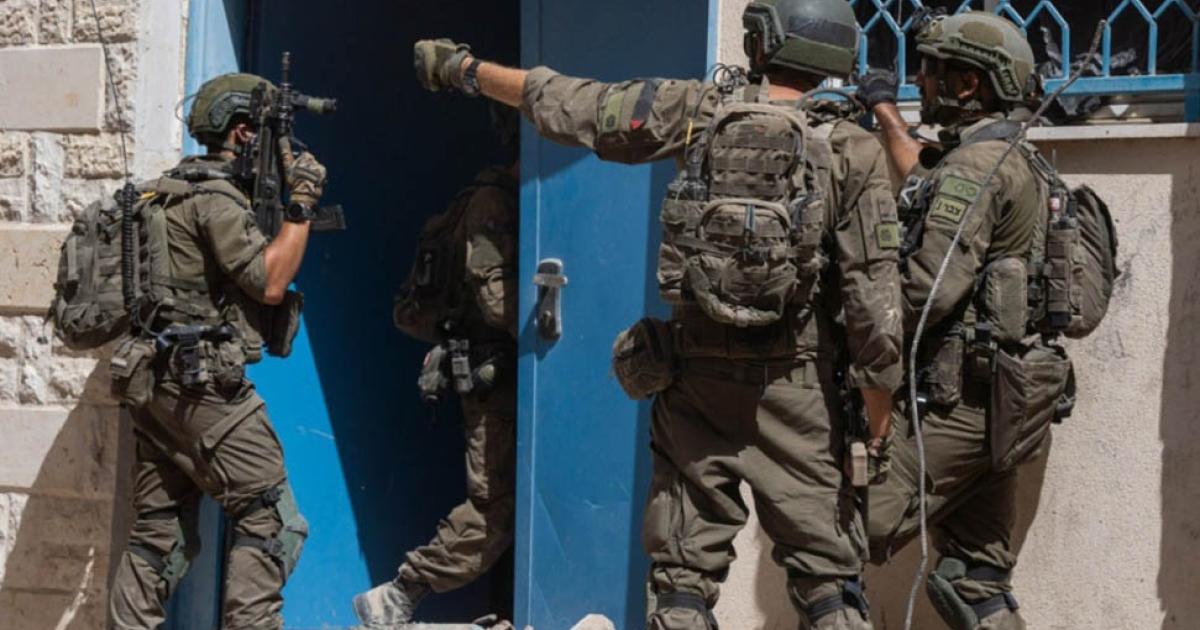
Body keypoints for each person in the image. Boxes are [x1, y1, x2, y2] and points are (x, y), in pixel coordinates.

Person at [363, 1, 906, 628]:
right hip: (800, 396)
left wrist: (466, 70)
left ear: (761, 44)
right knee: (828, 584)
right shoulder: (854, 150)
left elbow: (574, 104)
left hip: (694, 388)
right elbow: (874, 310)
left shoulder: (695, 111)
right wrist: (876, 426)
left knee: (682, 583)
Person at [855, 11, 1075, 630]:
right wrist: (883, 111)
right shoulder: (1014, 158)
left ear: (969, 84)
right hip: (1004, 409)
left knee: (833, 538)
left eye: (930, 70)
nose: (920, 81)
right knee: (976, 581)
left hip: (953, 411)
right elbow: (922, 174)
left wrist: (854, 333)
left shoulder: (974, 169)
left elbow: (927, 290)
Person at [106, 73, 326, 629]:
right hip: (204, 389)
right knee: (273, 519)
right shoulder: (216, 200)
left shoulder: (165, 192)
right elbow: (269, 282)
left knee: (158, 533)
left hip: (154, 387)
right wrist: (301, 205)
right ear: (244, 133)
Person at [352, 105, 520, 626]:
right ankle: (402, 592)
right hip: (496, 380)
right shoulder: (493, 203)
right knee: (495, 507)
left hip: (510, 376)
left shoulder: (510, 197)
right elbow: (497, 303)